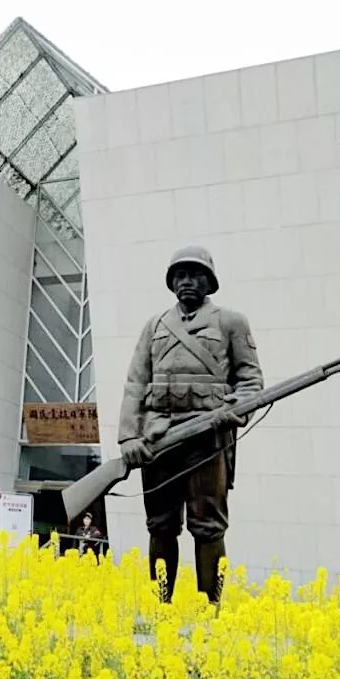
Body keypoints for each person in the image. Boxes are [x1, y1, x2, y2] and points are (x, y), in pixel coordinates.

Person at [117, 246, 263, 605]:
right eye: (179, 275)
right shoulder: (154, 326)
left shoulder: (231, 322)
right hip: (158, 439)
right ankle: (160, 608)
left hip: (207, 439)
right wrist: (129, 436)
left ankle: (208, 611)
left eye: (195, 274)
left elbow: (250, 381)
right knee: (160, 525)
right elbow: (135, 383)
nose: (186, 281)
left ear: (209, 281)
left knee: (208, 527)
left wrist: (234, 408)